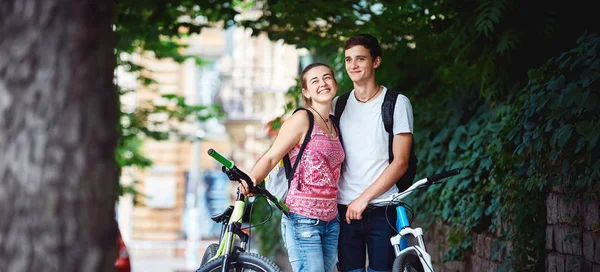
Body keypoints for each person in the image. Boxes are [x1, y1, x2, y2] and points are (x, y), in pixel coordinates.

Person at [240, 63, 345, 272]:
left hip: (331, 220)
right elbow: (271, 156)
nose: (323, 83)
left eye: (327, 78)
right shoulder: (301, 119)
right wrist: (250, 179)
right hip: (303, 219)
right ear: (306, 91)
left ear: (335, 83)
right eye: (315, 81)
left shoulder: (335, 123)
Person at [334, 34, 414, 272]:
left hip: (383, 209)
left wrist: (364, 198)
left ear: (376, 62)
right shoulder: (338, 104)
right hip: (345, 210)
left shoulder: (397, 103)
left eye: (360, 59)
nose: (353, 65)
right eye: (348, 60)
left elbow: (401, 163)